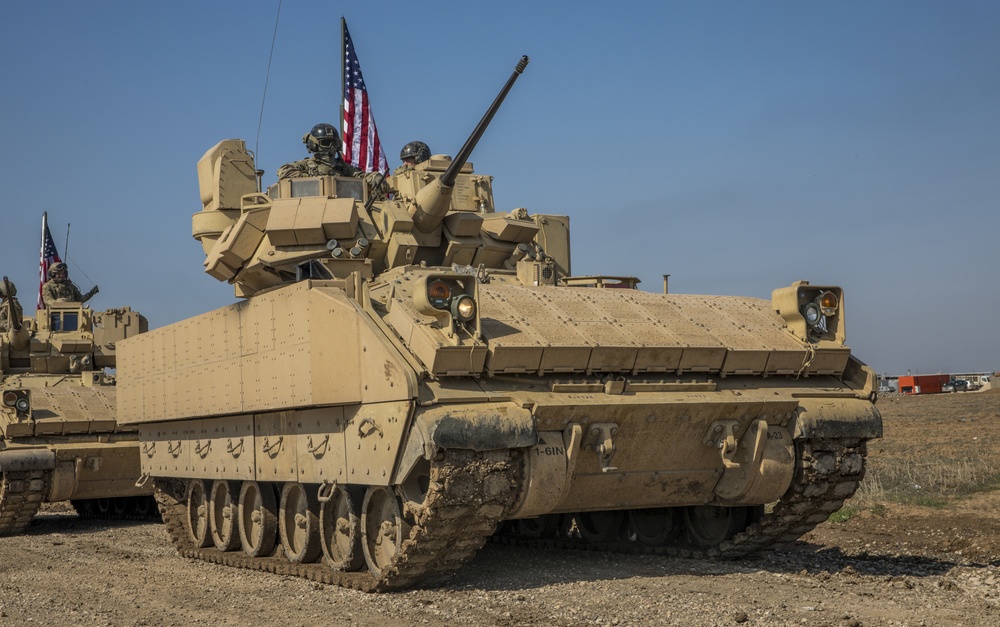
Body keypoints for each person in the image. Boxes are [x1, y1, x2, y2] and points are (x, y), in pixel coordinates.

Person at [276, 123, 362, 179]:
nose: (331, 147)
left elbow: (362, 176)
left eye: (334, 143)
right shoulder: (306, 165)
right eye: (326, 143)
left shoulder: (343, 167)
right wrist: (309, 178)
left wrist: (374, 177)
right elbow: (283, 171)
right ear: (314, 145)